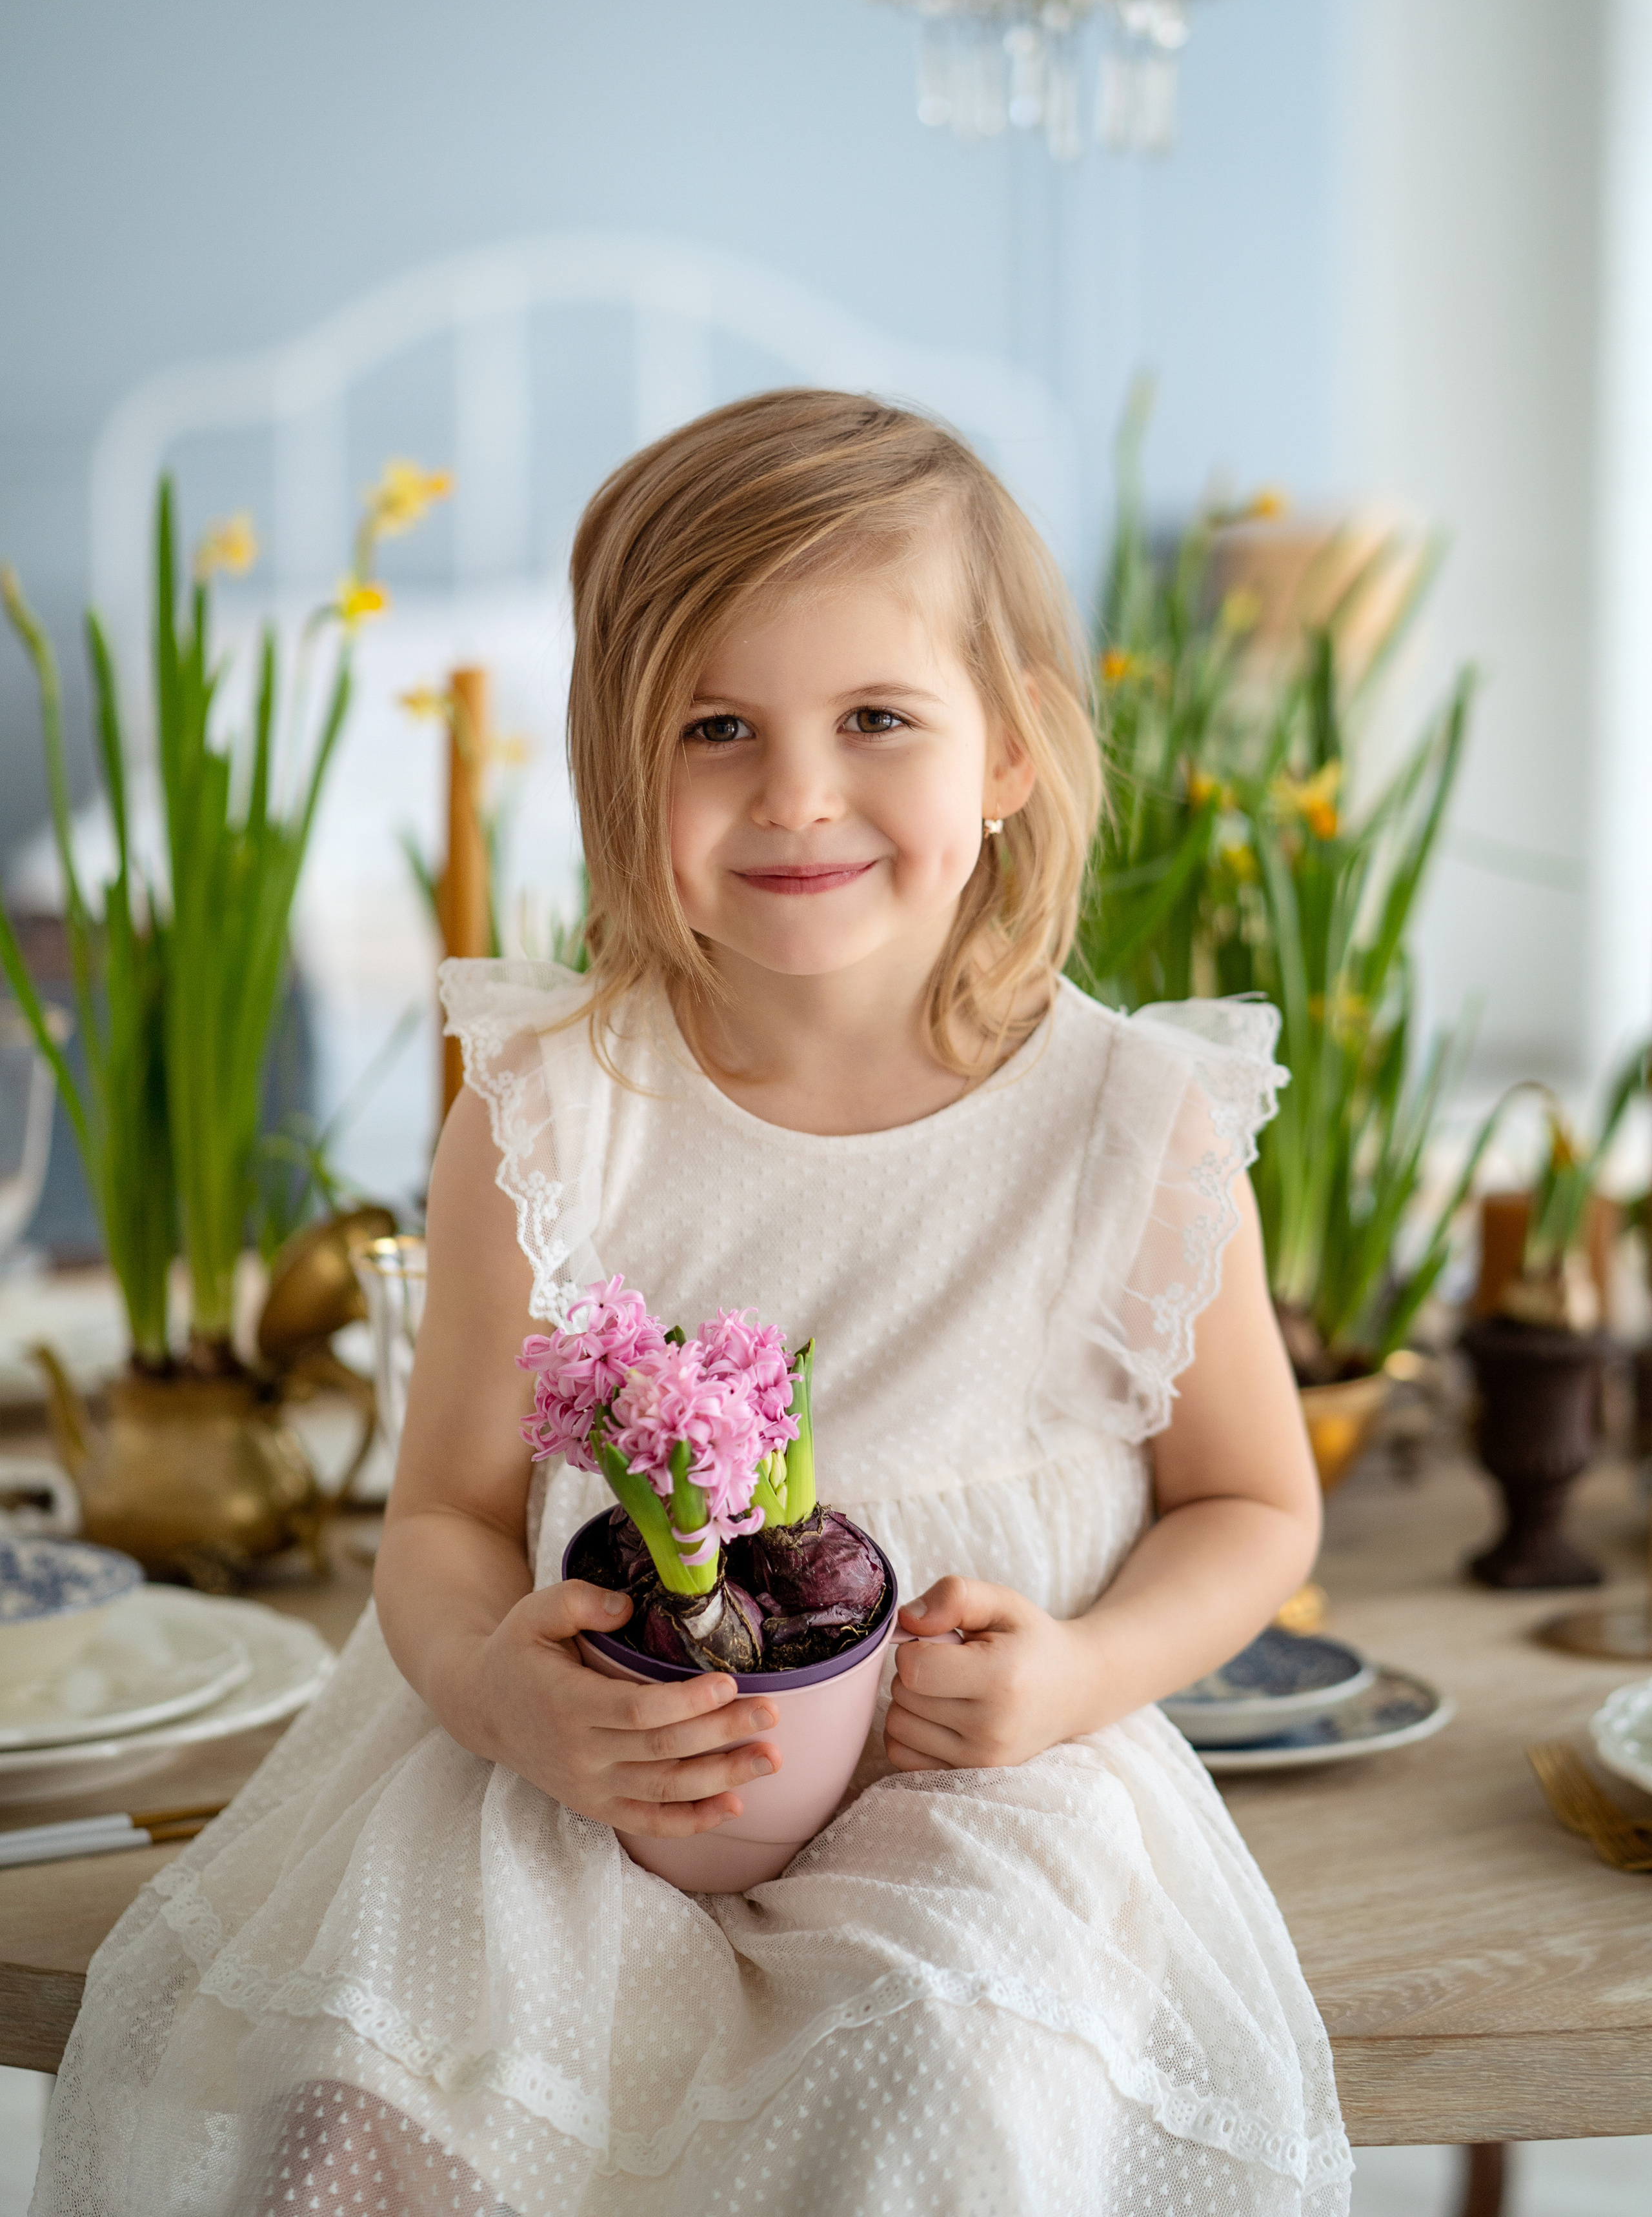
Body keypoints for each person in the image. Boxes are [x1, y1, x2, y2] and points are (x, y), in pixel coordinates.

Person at [35, 392, 1351, 2216]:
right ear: (613, 773)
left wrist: (1085, 1674)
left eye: (877, 719)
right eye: (716, 727)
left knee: (948, 2101)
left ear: (1014, 755)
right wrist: (507, 1700)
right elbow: (439, 1520)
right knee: (363, 2122)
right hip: (585, 1784)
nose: (798, 793)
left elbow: (1253, 1505)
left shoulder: (1130, 1129)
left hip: (974, 1797)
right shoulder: (550, 1117)